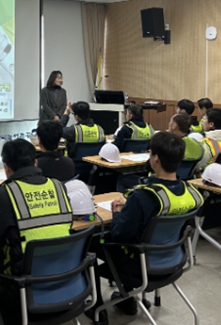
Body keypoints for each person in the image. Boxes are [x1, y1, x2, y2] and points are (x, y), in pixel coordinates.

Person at [86, 132, 203, 322]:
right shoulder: (191, 193)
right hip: (175, 260)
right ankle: (127, 300)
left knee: (89, 246)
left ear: (155, 159)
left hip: (140, 266)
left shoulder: (143, 197)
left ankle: (97, 308)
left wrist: (118, 213)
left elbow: (119, 234)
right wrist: (132, 207)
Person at [0, 139, 73, 323]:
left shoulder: (5, 194)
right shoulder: (58, 186)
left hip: (24, 285)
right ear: (35, 162)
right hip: (66, 277)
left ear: (6, 167)